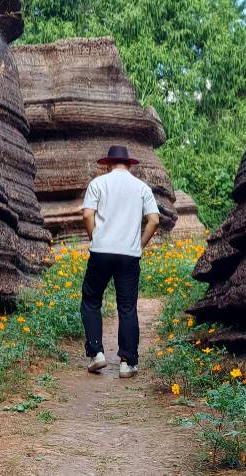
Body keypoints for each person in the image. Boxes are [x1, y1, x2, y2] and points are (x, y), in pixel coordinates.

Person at [80, 144, 160, 378]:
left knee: (92, 300)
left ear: (107, 164)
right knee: (127, 306)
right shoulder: (141, 187)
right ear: (129, 164)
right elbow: (154, 220)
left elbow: (87, 214)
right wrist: (140, 244)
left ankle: (97, 354)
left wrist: (96, 237)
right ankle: (127, 362)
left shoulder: (98, 184)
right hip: (129, 254)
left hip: (101, 251)